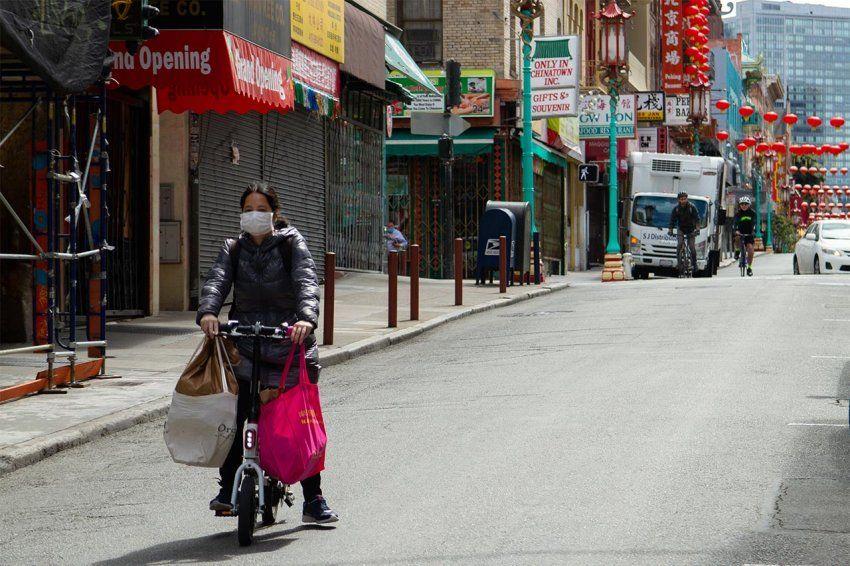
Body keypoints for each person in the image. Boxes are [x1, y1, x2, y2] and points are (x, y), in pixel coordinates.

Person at [197, 181, 339, 524]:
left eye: (261, 209)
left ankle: (313, 498)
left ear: (274, 212)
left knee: (297, 424)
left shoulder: (291, 243)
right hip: (246, 344)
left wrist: (306, 319)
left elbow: (306, 282)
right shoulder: (232, 248)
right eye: (248, 209)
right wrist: (209, 312)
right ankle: (228, 485)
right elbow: (217, 281)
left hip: (289, 344)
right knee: (234, 416)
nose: (254, 215)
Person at [668, 191, 700, 276]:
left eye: (685, 199)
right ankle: (679, 263)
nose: (683, 200)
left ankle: (694, 263)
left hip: (691, 229)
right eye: (681, 199)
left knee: (691, 246)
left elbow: (697, 219)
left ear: (687, 198)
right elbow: (672, 220)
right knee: (679, 243)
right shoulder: (676, 209)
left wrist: (697, 229)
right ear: (679, 200)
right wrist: (670, 230)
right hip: (681, 229)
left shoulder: (692, 207)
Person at [733, 196, 757, 276]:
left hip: (749, 234)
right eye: (742, 204)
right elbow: (735, 223)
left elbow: (754, 223)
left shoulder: (752, 213)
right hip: (740, 232)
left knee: (750, 250)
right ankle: (737, 250)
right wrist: (736, 230)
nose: (743, 206)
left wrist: (754, 231)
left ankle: (749, 268)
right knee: (737, 237)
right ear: (740, 205)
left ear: (749, 205)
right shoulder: (738, 214)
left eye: (745, 204)